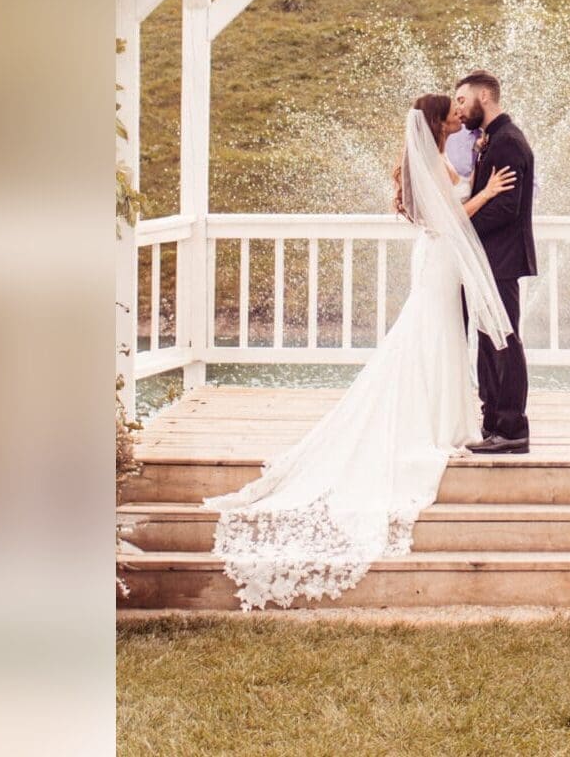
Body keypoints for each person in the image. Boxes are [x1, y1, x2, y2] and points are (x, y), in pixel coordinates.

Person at [202, 94, 518, 610]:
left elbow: (443, 202)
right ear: (439, 123)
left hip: (437, 261)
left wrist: (479, 166)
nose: (461, 116)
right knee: (431, 332)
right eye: (454, 112)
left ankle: (443, 416)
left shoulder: (434, 158)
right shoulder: (432, 162)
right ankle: (435, 421)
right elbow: (446, 220)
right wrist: (486, 193)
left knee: (433, 333)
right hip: (440, 256)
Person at [453, 70, 537, 455]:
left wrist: (461, 226)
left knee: (504, 342)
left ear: (484, 96)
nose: (459, 107)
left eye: (462, 99)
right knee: (489, 344)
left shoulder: (507, 142)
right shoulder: (489, 141)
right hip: (486, 261)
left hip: (500, 261)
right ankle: (493, 424)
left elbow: (507, 207)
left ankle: (512, 428)